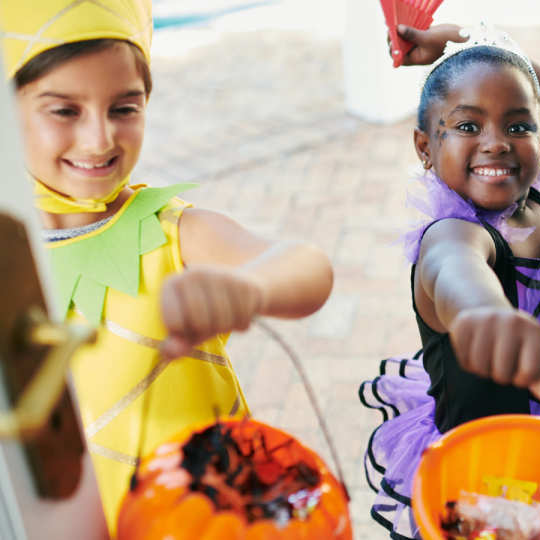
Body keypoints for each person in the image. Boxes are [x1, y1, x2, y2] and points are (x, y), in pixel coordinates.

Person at [0, 0, 334, 532]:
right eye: (64, 110)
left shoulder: (174, 234)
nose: (100, 139)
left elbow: (308, 267)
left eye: (124, 107)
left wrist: (248, 288)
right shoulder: (10, 264)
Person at [358, 23, 540, 539]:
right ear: (424, 146)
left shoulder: (533, 197)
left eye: (517, 126)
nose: (496, 144)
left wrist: (465, 40)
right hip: (488, 474)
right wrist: (483, 309)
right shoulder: (453, 234)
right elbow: (454, 269)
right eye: (466, 127)